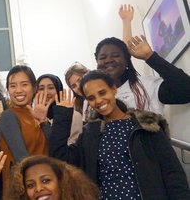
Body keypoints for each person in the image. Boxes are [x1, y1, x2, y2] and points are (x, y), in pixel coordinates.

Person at [50, 70, 190, 199]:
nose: (98, 101)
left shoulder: (147, 125)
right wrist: (63, 116)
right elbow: (61, 159)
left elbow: (173, 173)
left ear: (114, 89)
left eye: (102, 92)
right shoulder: (90, 133)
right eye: (91, 98)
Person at [0, 65, 61, 195]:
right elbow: (22, 158)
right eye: (13, 86)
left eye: (24, 84)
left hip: (45, 185)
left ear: (34, 88)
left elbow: (54, 149)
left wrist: (43, 120)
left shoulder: (36, 114)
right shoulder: (8, 116)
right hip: (24, 189)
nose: (18, 90)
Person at [95, 35, 190, 114]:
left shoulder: (147, 86)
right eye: (102, 57)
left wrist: (150, 57)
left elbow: (186, 92)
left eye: (115, 55)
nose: (108, 60)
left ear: (126, 60)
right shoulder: (93, 97)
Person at [36, 74, 82, 144]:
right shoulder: (32, 117)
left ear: (58, 89)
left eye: (51, 88)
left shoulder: (73, 116)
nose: (46, 92)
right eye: (41, 89)